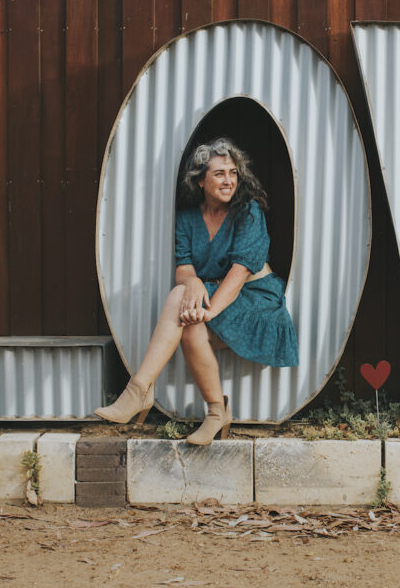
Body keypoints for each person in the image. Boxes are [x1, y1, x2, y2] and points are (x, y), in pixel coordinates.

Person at [94, 137, 298, 444]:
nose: (229, 180)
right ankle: (216, 413)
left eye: (232, 172)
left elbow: (240, 271)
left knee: (190, 316)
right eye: (219, 174)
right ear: (201, 180)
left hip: (257, 299)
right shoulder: (188, 218)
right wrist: (192, 282)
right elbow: (184, 266)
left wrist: (208, 310)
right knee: (188, 322)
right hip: (219, 294)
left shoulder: (249, 212)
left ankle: (138, 391)